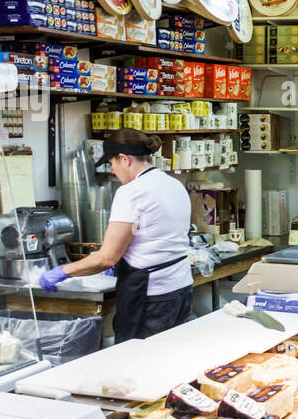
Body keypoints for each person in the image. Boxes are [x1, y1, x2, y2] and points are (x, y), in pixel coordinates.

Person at [39, 129, 193, 341]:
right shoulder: (172, 184)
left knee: (138, 362)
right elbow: (148, 232)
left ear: (124, 159)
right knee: (169, 359)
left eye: (112, 164)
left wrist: (63, 271)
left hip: (150, 297)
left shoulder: (131, 192)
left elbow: (106, 258)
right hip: (180, 288)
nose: (112, 171)